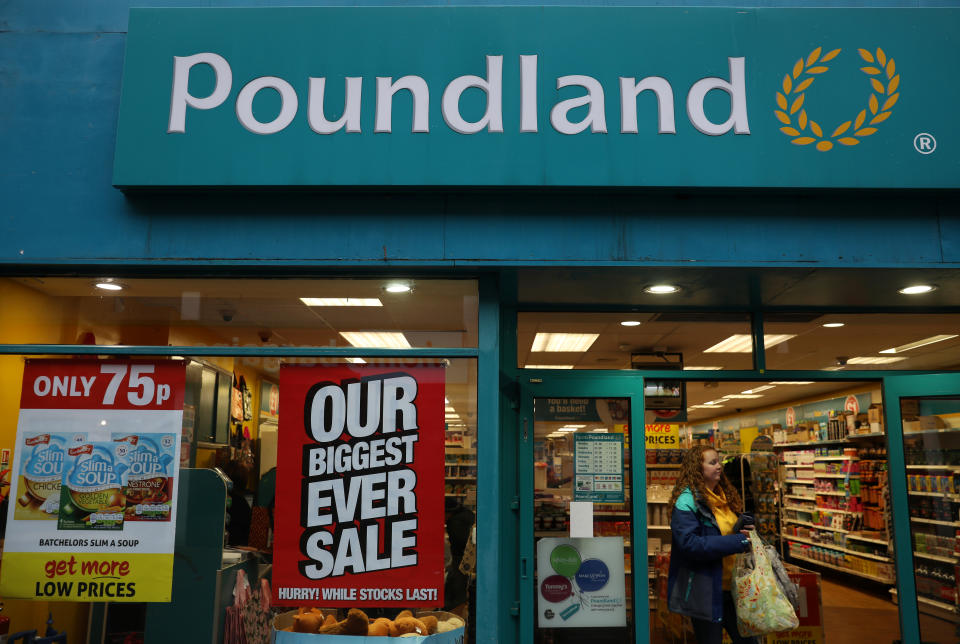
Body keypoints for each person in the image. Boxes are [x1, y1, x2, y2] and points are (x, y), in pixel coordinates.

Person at [667, 445, 757, 644]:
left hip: (734, 589)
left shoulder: (724, 497)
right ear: (697, 468)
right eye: (712, 462)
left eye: (719, 462)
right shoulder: (687, 502)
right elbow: (691, 544)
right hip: (706, 590)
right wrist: (737, 541)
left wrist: (742, 528)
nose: (719, 466)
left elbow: (719, 533)